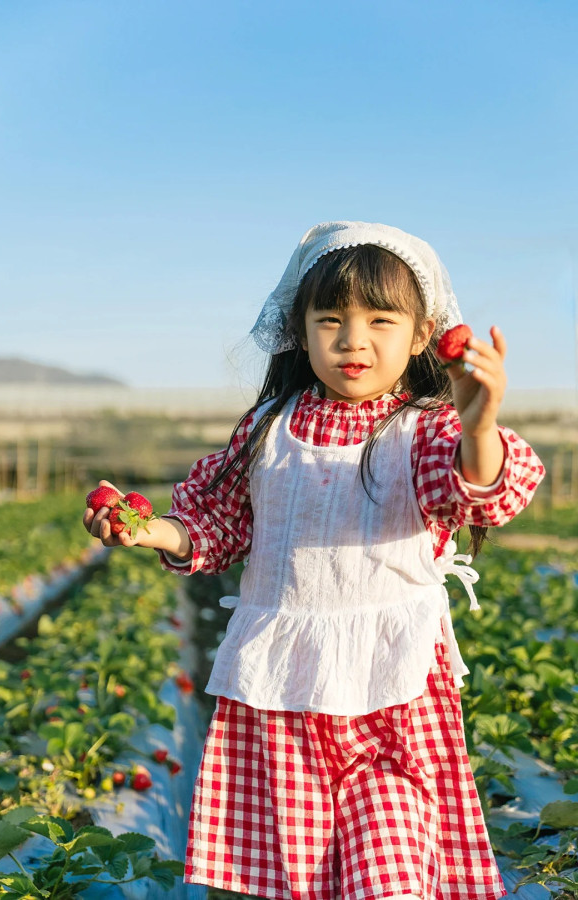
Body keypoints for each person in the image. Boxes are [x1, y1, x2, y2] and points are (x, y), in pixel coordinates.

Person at [84, 221, 545, 900]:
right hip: (282, 692)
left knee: (389, 874)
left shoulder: (425, 429)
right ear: (300, 330)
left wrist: (478, 425)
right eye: (331, 318)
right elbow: (215, 524)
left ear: (422, 335)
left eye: (380, 319)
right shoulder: (269, 426)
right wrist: (147, 529)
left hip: (392, 699)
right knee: (295, 880)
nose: (353, 339)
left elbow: (480, 489)